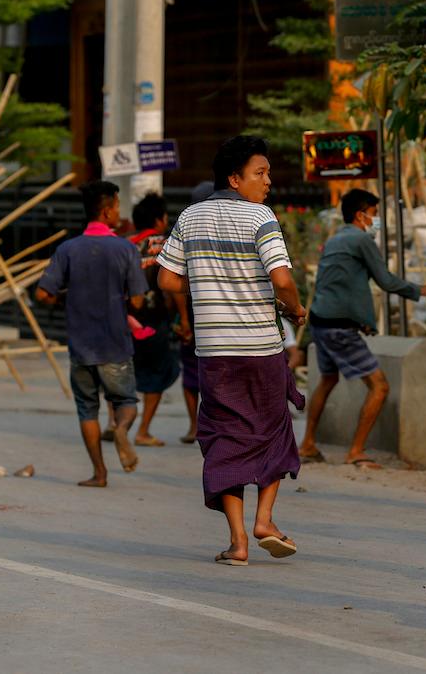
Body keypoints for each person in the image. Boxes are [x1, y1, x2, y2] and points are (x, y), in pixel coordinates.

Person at [157, 135, 307, 566]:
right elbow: (280, 279)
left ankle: (238, 542)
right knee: (273, 429)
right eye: (260, 173)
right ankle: (265, 520)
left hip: (214, 351)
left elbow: (167, 281)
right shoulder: (260, 217)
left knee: (225, 435)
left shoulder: (189, 217)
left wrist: (205, 286)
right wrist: (294, 307)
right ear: (234, 178)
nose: (268, 182)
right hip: (260, 347)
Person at [298, 188, 426, 468]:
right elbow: (385, 280)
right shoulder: (361, 239)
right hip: (339, 328)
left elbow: (345, 287)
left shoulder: (336, 239)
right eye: (374, 214)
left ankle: (308, 443)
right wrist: (418, 289)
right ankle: (356, 451)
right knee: (379, 386)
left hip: (322, 323)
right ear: (361, 215)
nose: (376, 221)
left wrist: (364, 321)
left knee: (328, 380)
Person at [36, 180, 147, 487]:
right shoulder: (126, 249)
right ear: (108, 210)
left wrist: (66, 297)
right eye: (117, 207)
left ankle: (99, 473)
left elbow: (43, 294)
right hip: (115, 343)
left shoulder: (68, 249)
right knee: (125, 401)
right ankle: (122, 428)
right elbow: (138, 300)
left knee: (87, 408)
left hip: (81, 345)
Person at [128, 192, 180, 447]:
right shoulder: (167, 243)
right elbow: (173, 286)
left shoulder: (125, 244)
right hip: (156, 320)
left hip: (126, 321)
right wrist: (184, 321)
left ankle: (115, 424)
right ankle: (143, 430)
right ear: (159, 219)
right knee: (158, 373)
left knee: (125, 371)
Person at [174, 179, 217, 444]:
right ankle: (198, 426)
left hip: (199, 314)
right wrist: (186, 320)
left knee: (195, 372)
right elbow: (176, 282)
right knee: (199, 372)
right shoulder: (188, 233)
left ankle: (197, 426)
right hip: (203, 314)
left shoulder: (186, 229)